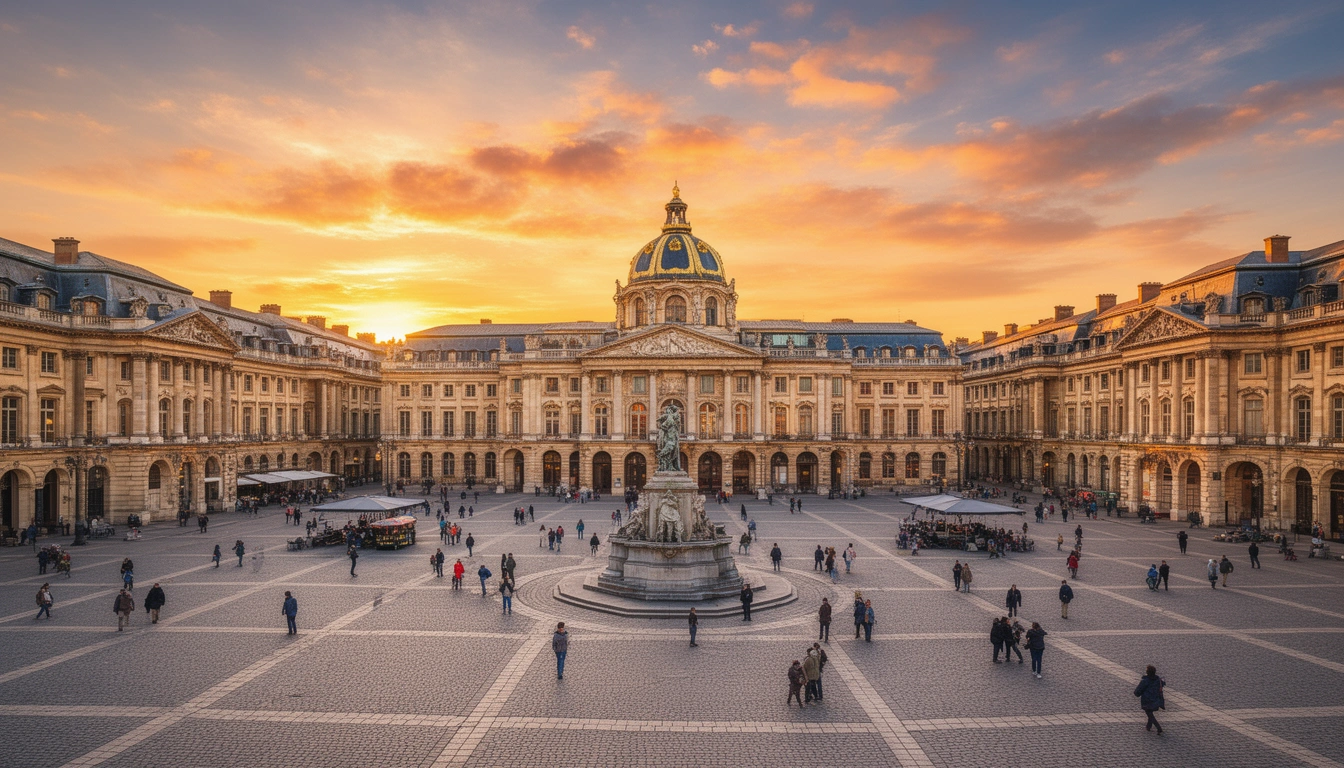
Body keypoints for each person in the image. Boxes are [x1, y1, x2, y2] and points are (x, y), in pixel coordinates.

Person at [1134, 665, 1166, 734]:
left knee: (1149, 713)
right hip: (1156, 700)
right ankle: (1148, 727)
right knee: (1150, 712)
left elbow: (1138, 691)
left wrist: (1137, 693)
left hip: (1147, 700)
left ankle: (1158, 727)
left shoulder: (1145, 681)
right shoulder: (1158, 680)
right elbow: (1163, 683)